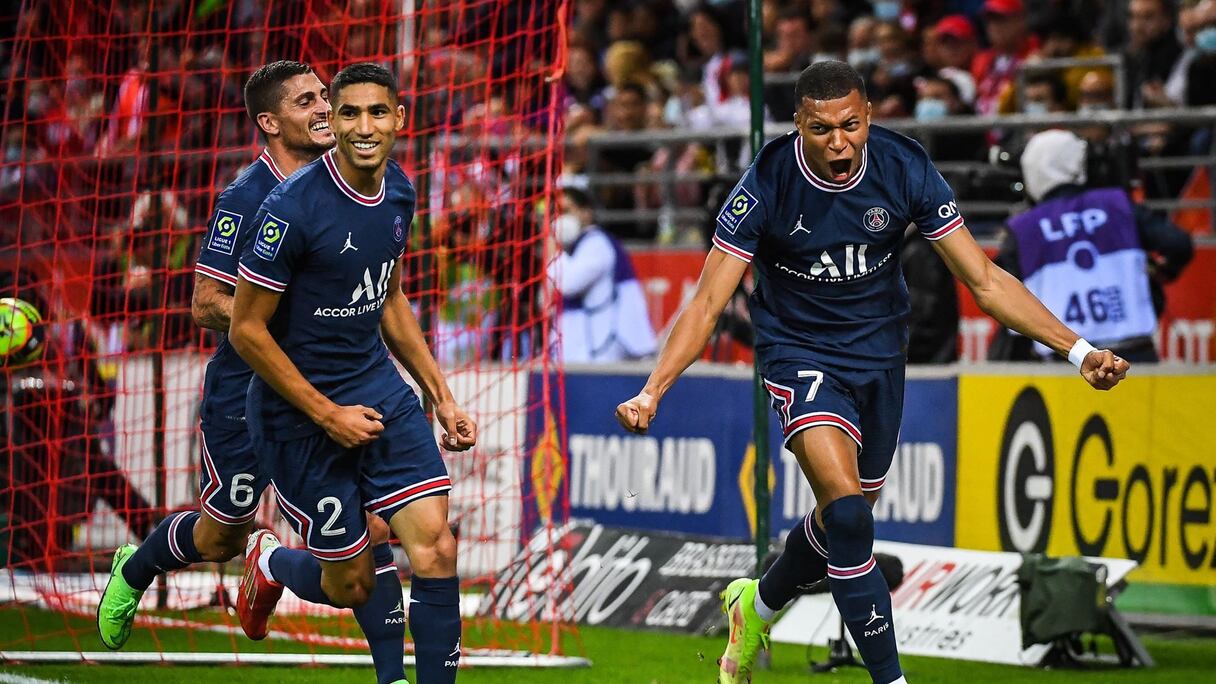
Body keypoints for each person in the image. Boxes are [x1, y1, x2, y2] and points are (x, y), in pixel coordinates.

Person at [614, 61, 1130, 684]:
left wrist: (1079, 351)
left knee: (841, 521)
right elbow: (706, 304)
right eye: (821, 129)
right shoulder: (766, 184)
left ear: (869, 117)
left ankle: (755, 606)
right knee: (853, 518)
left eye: (851, 125)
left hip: (881, 357)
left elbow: (986, 281)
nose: (838, 142)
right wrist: (653, 391)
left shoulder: (903, 166)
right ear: (798, 126)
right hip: (798, 352)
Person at [94, 60, 395, 649]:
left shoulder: (353, 181)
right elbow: (205, 303)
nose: (323, 109)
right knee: (220, 539)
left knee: (376, 523)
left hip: (334, 384)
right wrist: (276, 320)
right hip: (247, 390)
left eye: (323, 97)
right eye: (306, 101)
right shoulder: (246, 197)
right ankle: (137, 568)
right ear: (270, 122)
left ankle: (392, 669)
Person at [230, 63, 474, 684]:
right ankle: (273, 563)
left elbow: (387, 296)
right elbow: (246, 331)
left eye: (376, 113)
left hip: (375, 387)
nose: (364, 127)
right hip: (297, 412)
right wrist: (325, 413)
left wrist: (438, 395)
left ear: (399, 119)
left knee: (437, 547)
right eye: (349, 113)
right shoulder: (290, 209)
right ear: (331, 122)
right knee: (353, 582)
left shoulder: (401, 192)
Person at [989, 129, 1193, 363]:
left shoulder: (1023, 227)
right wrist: (1160, 271)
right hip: (1133, 354)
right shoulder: (1116, 204)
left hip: (1067, 359)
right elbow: (1178, 243)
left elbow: (1000, 293)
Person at [549, 186, 656, 364]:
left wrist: (552, 250)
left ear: (586, 213)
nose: (560, 219)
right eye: (557, 213)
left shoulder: (597, 243)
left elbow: (567, 283)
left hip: (602, 351)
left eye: (567, 211)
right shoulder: (573, 248)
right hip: (580, 352)